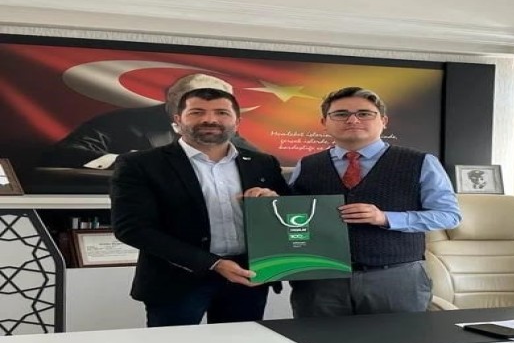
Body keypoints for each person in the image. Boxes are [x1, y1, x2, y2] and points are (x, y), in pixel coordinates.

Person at [110, 87, 289, 327]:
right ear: (178, 119)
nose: (210, 119)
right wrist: (213, 263)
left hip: (247, 279)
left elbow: (288, 216)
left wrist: (273, 201)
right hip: (176, 281)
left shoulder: (263, 163)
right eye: (197, 112)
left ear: (237, 121)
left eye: (221, 113)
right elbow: (132, 228)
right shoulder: (140, 164)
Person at [288, 86, 461, 317]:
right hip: (320, 281)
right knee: (316, 339)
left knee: (396, 340)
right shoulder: (307, 165)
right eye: (340, 114)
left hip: (395, 279)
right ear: (324, 122)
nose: (352, 120)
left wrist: (385, 218)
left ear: (383, 121)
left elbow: (449, 216)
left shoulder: (421, 162)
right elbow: (291, 214)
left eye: (364, 113)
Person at [41, 73, 257, 169]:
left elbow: (260, 162)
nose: (208, 118)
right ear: (171, 98)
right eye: (196, 106)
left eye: (219, 109)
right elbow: (64, 152)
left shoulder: (219, 129)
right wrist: (127, 162)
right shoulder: (121, 122)